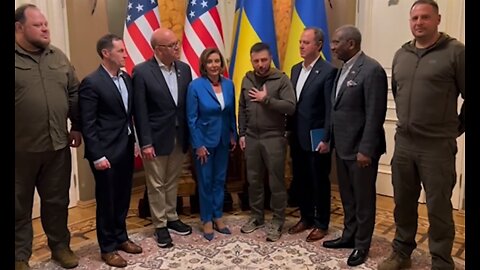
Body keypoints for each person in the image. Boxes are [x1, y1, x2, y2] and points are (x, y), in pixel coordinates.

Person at [378, 1, 465, 269]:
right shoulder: (400, 55)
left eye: (425, 17)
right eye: (414, 17)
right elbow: (397, 90)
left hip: (437, 147)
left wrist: (455, 128)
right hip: (404, 143)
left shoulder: (455, 52)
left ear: (438, 19)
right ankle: (401, 252)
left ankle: (441, 260)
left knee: (439, 208)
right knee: (403, 202)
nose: (419, 22)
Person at [15, 4, 82, 270]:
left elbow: (74, 93)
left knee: (57, 201)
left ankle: (60, 247)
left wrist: (76, 125)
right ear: (19, 28)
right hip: (20, 149)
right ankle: (20, 256)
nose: (45, 28)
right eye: (38, 25)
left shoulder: (58, 57)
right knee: (18, 206)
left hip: (57, 146)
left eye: (46, 24)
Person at [322, 25, 387, 267]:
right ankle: (349, 236)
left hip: (361, 150)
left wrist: (366, 149)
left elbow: (374, 114)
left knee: (363, 199)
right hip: (342, 146)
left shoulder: (372, 70)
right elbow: (337, 109)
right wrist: (329, 139)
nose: (332, 46)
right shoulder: (342, 70)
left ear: (351, 43)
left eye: (336, 42)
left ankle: (362, 245)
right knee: (347, 197)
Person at [78, 33, 142, 268]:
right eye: (121, 51)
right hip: (105, 153)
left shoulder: (125, 79)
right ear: (107, 53)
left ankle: (121, 237)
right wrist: (97, 155)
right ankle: (107, 248)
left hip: (125, 147)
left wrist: (134, 142)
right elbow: (88, 123)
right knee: (107, 201)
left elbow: (128, 115)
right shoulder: (92, 82)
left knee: (123, 197)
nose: (125, 55)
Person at [132, 28, 193, 248]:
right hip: (155, 139)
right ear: (158, 49)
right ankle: (160, 225)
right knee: (156, 183)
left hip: (179, 135)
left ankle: (172, 216)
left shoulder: (184, 70)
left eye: (177, 44)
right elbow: (140, 111)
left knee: (172, 180)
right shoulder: (141, 72)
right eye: (172, 45)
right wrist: (145, 142)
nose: (177, 48)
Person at [238, 42, 296, 242]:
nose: (260, 64)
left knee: (276, 181)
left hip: (274, 137)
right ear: (251, 60)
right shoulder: (247, 79)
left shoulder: (281, 79)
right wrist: (242, 133)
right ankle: (257, 217)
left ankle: (278, 220)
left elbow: (290, 107)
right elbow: (242, 108)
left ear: (270, 58)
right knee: (253, 180)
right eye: (256, 61)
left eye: (264, 60)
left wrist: (266, 99)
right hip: (252, 137)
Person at [287, 27, 337, 242]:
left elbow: (329, 109)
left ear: (318, 45)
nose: (301, 46)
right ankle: (305, 217)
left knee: (319, 181)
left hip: (317, 138)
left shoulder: (328, 71)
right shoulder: (295, 69)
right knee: (301, 179)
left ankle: (322, 223)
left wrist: (326, 138)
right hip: (297, 137)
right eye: (300, 42)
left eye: (306, 42)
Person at [186, 48, 238, 241]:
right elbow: (191, 118)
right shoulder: (195, 86)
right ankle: (206, 219)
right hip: (204, 143)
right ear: (204, 65)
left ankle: (218, 216)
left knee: (219, 180)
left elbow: (231, 113)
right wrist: (198, 144)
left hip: (224, 140)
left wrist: (233, 133)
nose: (214, 65)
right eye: (210, 62)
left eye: (217, 61)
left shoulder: (229, 84)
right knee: (206, 181)